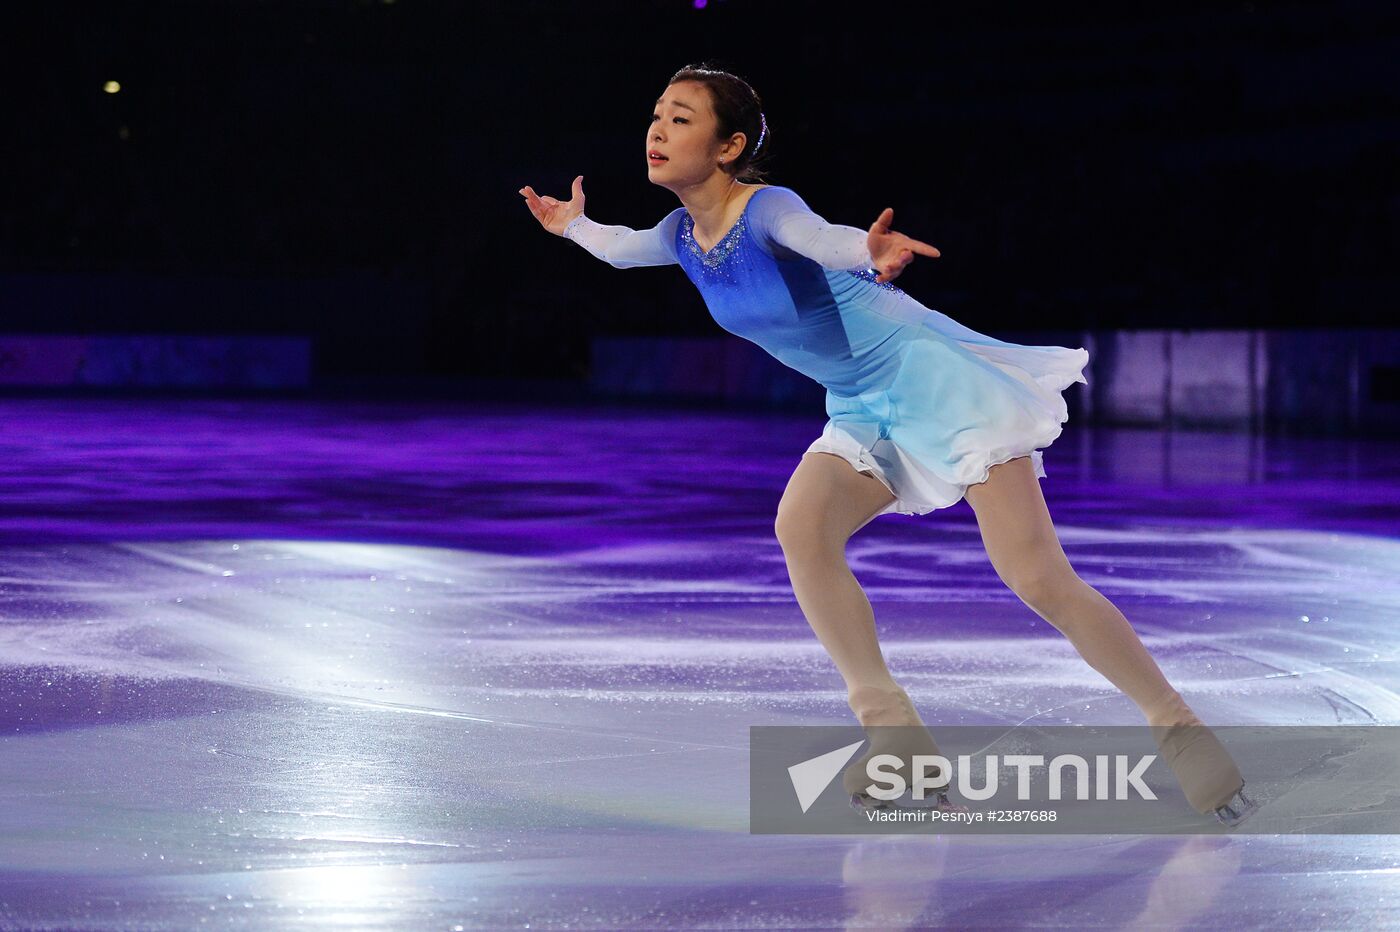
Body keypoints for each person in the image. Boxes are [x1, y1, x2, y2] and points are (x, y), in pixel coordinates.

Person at [518, 63, 1255, 826]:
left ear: (729, 145)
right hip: (864, 405)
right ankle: (895, 736)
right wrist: (569, 224)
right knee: (802, 528)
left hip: (929, 378)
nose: (657, 130)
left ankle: (1184, 733)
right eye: (656, 115)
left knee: (1037, 578)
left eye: (679, 117)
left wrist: (867, 252)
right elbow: (623, 246)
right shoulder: (681, 233)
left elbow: (819, 238)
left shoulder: (764, 208)